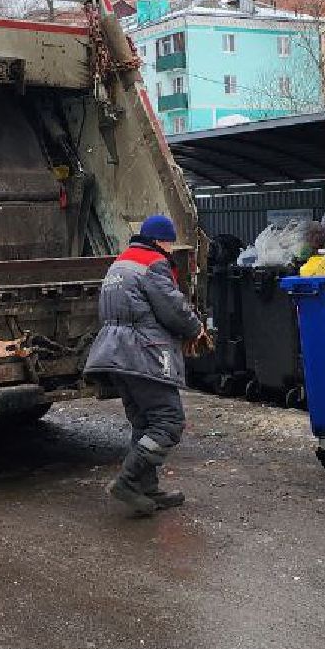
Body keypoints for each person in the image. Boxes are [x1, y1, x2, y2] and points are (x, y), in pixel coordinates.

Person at [83, 214, 204, 515]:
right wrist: (196, 328)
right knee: (168, 421)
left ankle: (146, 488)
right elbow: (173, 308)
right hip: (142, 354)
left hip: (113, 353)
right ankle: (127, 481)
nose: (171, 249)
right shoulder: (153, 263)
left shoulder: (120, 263)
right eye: (170, 243)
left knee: (144, 422)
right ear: (160, 241)